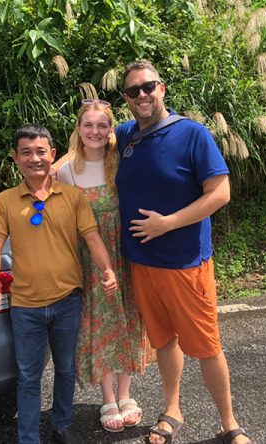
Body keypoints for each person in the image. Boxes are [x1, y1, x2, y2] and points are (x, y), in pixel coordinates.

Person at [114, 60, 251, 444]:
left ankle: (229, 423)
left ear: (162, 89)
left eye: (148, 87)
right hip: (141, 263)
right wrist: (43, 174)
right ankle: (172, 409)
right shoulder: (125, 136)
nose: (142, 95)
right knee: (163, 342)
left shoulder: (192, 134)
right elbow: (84, 147)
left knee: (206, 347)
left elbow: (220, 193)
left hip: (185, 264)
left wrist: (168, 223)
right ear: (127, 99)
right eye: (133, 91)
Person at [0, 124, 118, 444]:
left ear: (52, 154)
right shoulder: (5, 201)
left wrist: (107, 270)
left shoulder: (73, 197)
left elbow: (92, 237)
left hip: (67, 300)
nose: (35, 158)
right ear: (15, 158)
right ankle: (28, 437)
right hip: (25, 306)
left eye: (41, 151)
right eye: (26, 152)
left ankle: (62, 425)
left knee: (66, 370)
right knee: (29, 377)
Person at [56, 100, 149, 433]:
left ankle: (126, 394)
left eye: (102, 125)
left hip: (125, 252)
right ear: (79, 129)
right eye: (88, 125)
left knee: (128, 317)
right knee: (98, 322)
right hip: (90, 257)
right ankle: (108, 397)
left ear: (111, 130)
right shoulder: (66, 171)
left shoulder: (121, 163)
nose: (94, 131)